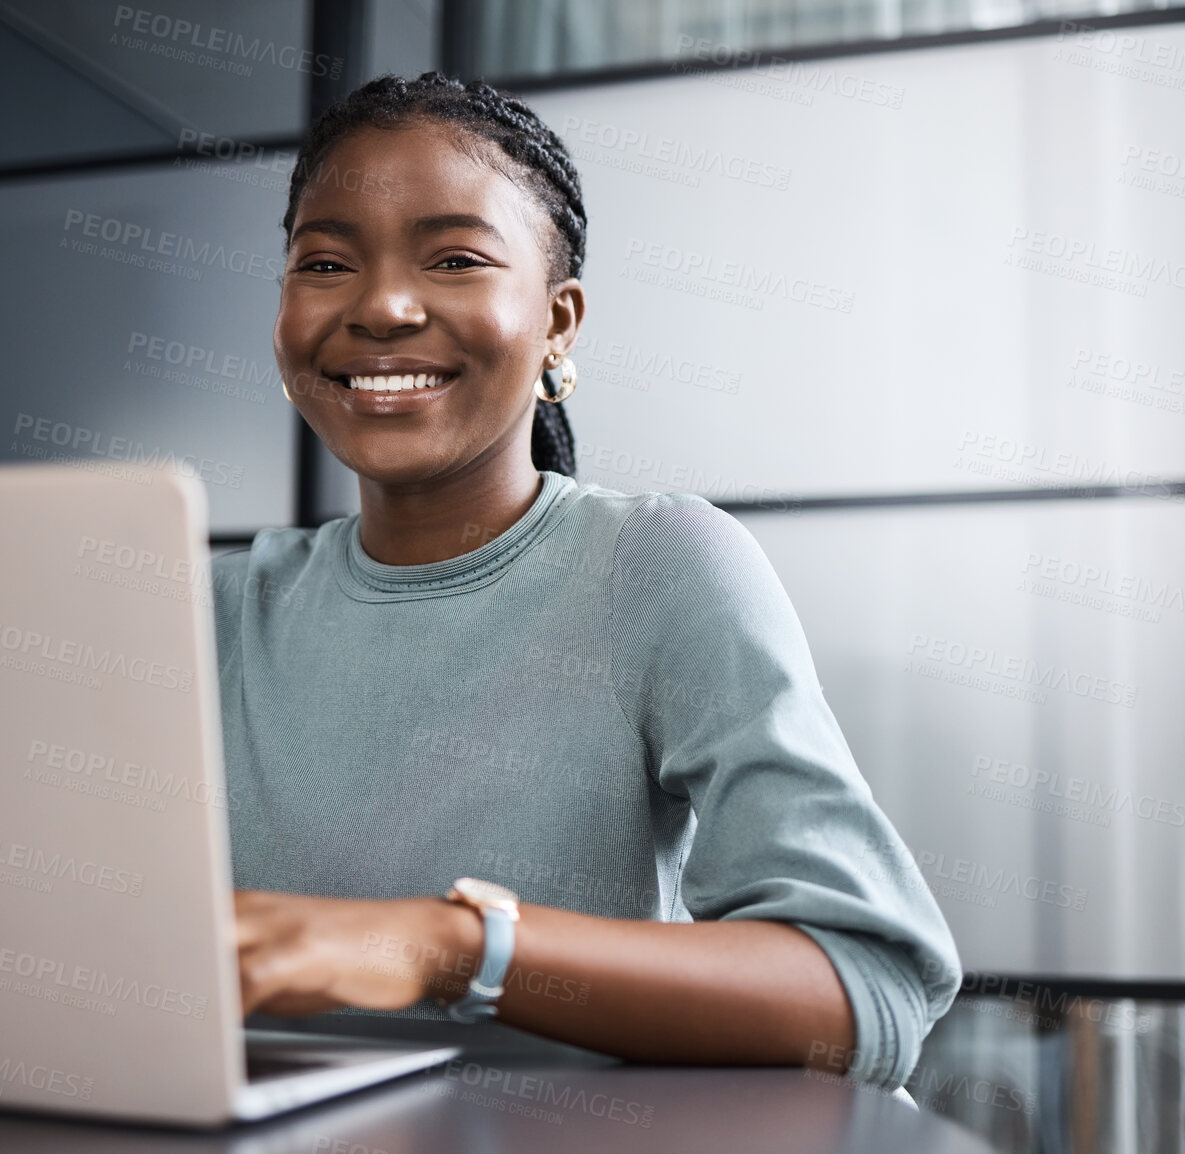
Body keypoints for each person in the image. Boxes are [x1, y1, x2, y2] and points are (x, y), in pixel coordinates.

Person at [212, 72, 960, 1085]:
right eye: (327, 261)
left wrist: (448, 943)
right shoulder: (214, 606)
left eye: (457, 258)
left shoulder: (654, 563)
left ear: (559, 323)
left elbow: (864, 985)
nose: (382, 305)